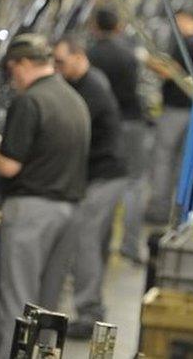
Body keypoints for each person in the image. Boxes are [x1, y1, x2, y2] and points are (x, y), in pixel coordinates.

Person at [0, 33, 90, 359]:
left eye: (12, 69)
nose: (12, 77)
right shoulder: (73, 99)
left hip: (33, 213)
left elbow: (10, 166)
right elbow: (45, 147)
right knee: (47, 307)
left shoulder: (29, 101)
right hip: (69, 212)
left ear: (25, 64)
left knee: (16, 302)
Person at [52, 35, 129, 338]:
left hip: (104, 176)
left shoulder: (91, 91)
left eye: (60, 62)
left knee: (85, 241)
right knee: (92, 243)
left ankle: (89, 312)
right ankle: (90, 306)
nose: (56, 69)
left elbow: (69, 134)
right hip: (103, 173)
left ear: (77, 55)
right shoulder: (87, 80)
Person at [87, 8, 149, 263]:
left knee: (103, 186)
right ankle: (131, 247)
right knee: (133, 185)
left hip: (106, 128)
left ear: (94, 26)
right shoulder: (128, 53)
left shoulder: (91, 55)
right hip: (132, 123)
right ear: (118, 26)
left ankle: (99, 247)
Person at [145, 9, 193, 224]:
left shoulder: (187, 44)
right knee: (180, 162)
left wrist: (147, 60)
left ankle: (158, 211)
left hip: (175, 111)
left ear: (184, 19)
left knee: (163, 160)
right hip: (192, 111)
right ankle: (177, 212)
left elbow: (172, 72)